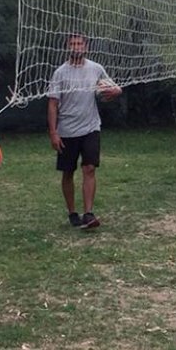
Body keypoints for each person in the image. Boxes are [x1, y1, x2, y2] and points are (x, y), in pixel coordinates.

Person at [47, 33, 122, 229]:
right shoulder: (60, 73)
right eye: (72, 44)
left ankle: (89, 213)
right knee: (68, 172)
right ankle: (73, 212)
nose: (76, 47)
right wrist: (54, 132)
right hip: (67, 130)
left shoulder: (96, 69)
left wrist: (115, 92)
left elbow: (115, 89)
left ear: (85, 47)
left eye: (79, 43)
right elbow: (53, 104)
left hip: (91, 127)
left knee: (89, 168)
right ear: (67, 47)